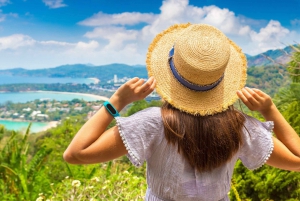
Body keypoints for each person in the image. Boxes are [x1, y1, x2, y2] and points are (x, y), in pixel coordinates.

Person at [63, 23, 300, 200]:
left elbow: (75, 154)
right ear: (222, 79)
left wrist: (116, 102)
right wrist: (270, 111)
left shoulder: (153, 124)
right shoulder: (240, 128)